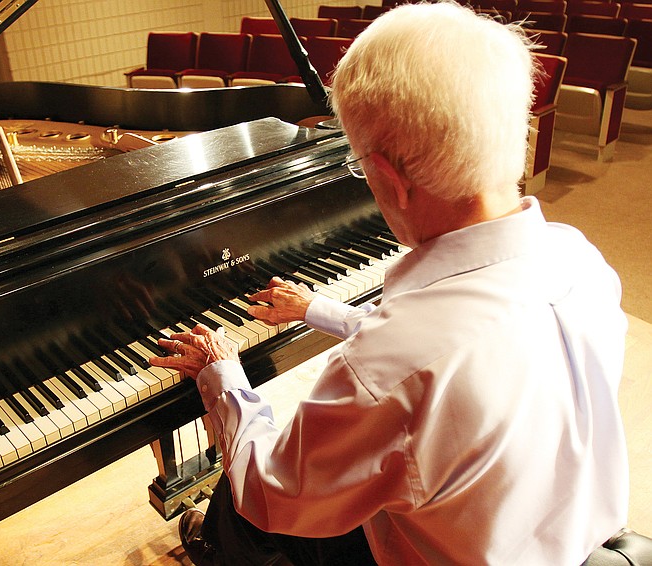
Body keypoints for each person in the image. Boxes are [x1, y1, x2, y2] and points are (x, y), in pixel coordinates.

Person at [150, 2, 630, 564]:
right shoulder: (579, 258)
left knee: (244, 490)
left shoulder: (399, 362)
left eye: (358, 163)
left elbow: (269, 491)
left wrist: (220, 372)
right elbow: (454, 347)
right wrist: (317, 309)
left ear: (387, 177)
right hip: (554, 523)